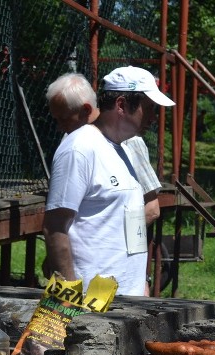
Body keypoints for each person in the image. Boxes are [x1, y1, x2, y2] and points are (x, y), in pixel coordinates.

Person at [43, 67, 175, 296]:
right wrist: (69, 298)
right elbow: (55, 226)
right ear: (122, 105)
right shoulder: (79, 148)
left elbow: (133, 216)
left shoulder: (123, 148)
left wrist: (139, 282)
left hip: (128, 296)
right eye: (149, 108)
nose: (154, 118)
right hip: (89, 300)